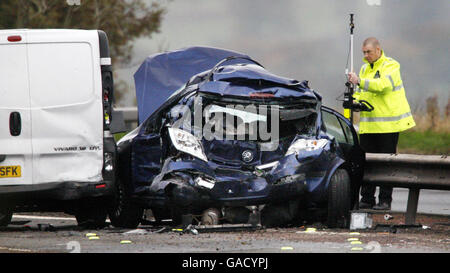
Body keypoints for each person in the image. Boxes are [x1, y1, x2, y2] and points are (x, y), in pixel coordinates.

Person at [348, 37, 416, 210]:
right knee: (367, 164)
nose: (366, 55)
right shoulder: (364, 68)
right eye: (363, 52)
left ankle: (385, 201)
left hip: (388, 126)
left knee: (387, 165)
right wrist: (353, 101)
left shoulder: (391, 65)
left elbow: (383, 85)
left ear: (378, 50)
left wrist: (359, 81)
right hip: (368, 126)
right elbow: (361, 92)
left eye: (368, 52)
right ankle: (367, 199)